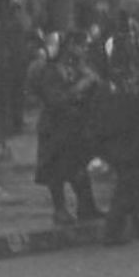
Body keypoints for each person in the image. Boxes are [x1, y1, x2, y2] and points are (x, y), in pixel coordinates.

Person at [26, 28, 104, 225]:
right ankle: (60, 210)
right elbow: (56, 100)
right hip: (55, 127)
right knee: (56, 172)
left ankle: (86, 207)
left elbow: (94, 84)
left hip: (70, 126)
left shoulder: (72, 68)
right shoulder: (50, 71)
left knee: (77, 167)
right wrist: (80, 88)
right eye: (76, 46)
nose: (79, 50)